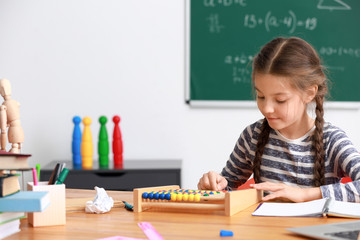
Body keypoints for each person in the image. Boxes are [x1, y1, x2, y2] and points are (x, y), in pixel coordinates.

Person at [197, 37, 360, 203]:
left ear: (309, 93)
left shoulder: (332, 140)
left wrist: (305, 195)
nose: (267, 108)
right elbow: (227, 187)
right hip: (265, 229)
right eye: (261, 96)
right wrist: (215, 186)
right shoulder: (253, 136)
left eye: (280, 100)